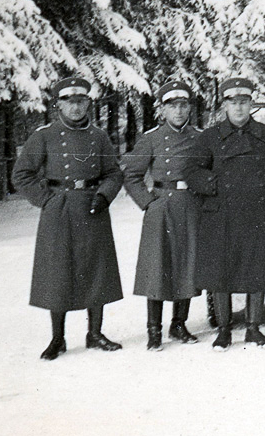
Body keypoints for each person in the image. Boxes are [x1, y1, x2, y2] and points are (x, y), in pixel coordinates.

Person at [13, 76, 124, 360]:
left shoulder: (99, 136)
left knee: (97, 269)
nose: (76, 108)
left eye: (81, 101)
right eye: (69, 102)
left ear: (88, 103)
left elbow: (113, 172)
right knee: (58, 271)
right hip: (58, 209)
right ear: (58, 105)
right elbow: (21, 174)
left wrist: (104, 195)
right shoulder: (44, 136)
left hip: (92, 207)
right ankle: (58, 338)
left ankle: (95, 333)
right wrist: (46, 199)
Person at [186, 77, 265, 351]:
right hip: (220, 215)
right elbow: (192, 171)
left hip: (257, 213)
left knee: (256, 270)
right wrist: (215, 184)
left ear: (251, 104)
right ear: (224, 104)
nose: (238, 107)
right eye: (233, 102)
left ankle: (253, 329)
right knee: (220, 273)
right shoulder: (209, 137)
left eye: (243, 102)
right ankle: (224, 331)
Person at [123, 81, 202, 351]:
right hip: (161, 207)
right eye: (172, 106)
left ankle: (179, 324)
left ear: (189, 108)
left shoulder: (199, 137)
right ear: (162, 109)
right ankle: (153, 330)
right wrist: (147, 203)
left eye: (183, 105)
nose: (179, 111)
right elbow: (131, 175)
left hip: (190, 207)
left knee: (187, 264)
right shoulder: (152, 138)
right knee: (157, 267)